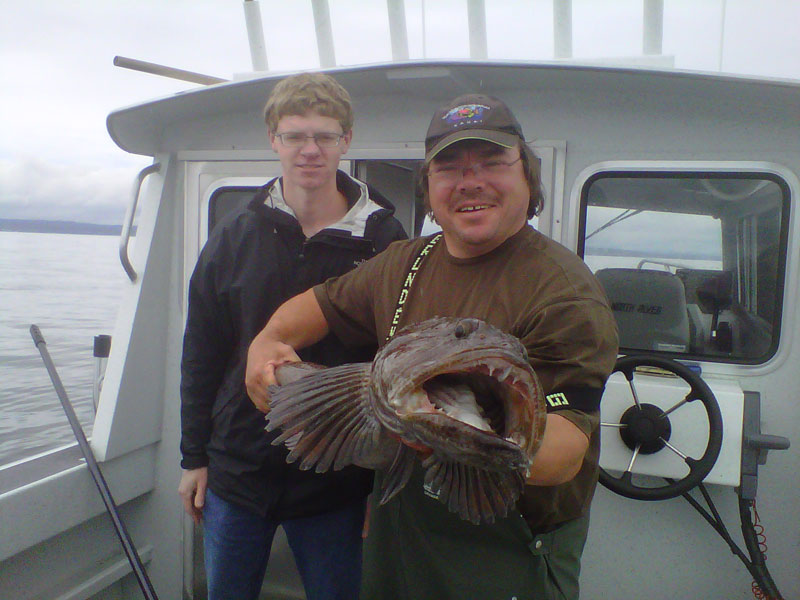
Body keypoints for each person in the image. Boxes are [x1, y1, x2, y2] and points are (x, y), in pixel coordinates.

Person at [246, 93, 619, 599]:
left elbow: (562, 455)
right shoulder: (403, 261)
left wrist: (437, 428)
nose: (470, 181)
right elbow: (310, 309)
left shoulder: (564, 292)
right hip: (402, 527)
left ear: (528, 177)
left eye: (492, 162)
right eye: (449, 167)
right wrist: (266, 343)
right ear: (429, 186)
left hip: (503, 551)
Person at [178, 72, 407, 600]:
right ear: (273, 140)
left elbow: (393, 365)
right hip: (238, 470)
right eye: (295, 136)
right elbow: (202, 353)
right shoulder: (233, 236)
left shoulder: (383, 242)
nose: (310, 150)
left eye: (324, 136)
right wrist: (194, 458)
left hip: (337, 477)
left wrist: (377, 484)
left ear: (346, 141)